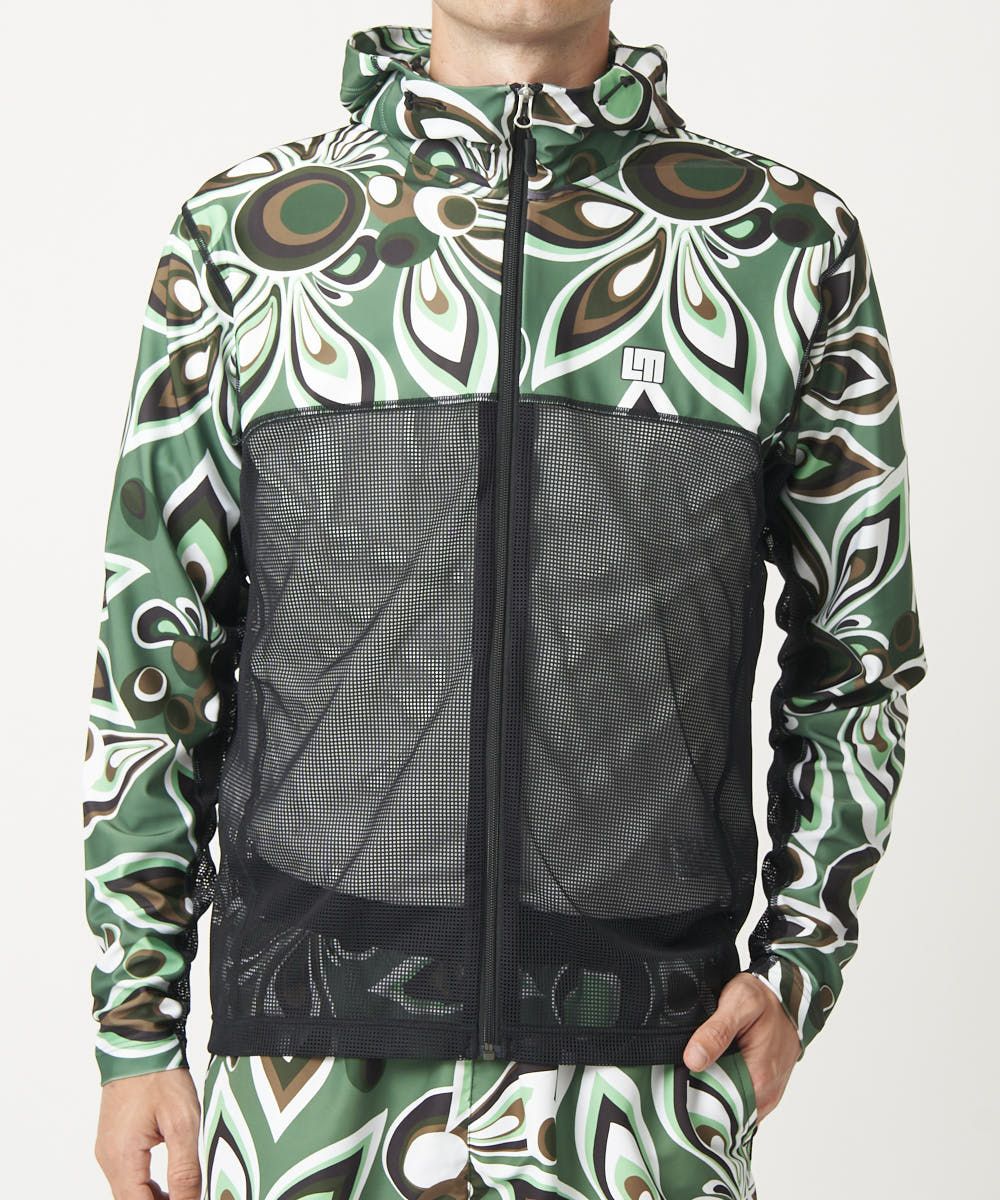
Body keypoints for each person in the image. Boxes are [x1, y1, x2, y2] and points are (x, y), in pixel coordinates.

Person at [83, 4, 928, 1198]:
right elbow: (155, 645)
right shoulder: (250, 238)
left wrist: (799, 968)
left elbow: (859, 653)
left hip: (643, 1076)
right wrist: (136, 1031)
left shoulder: (781, 244)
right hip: (302, 1076)